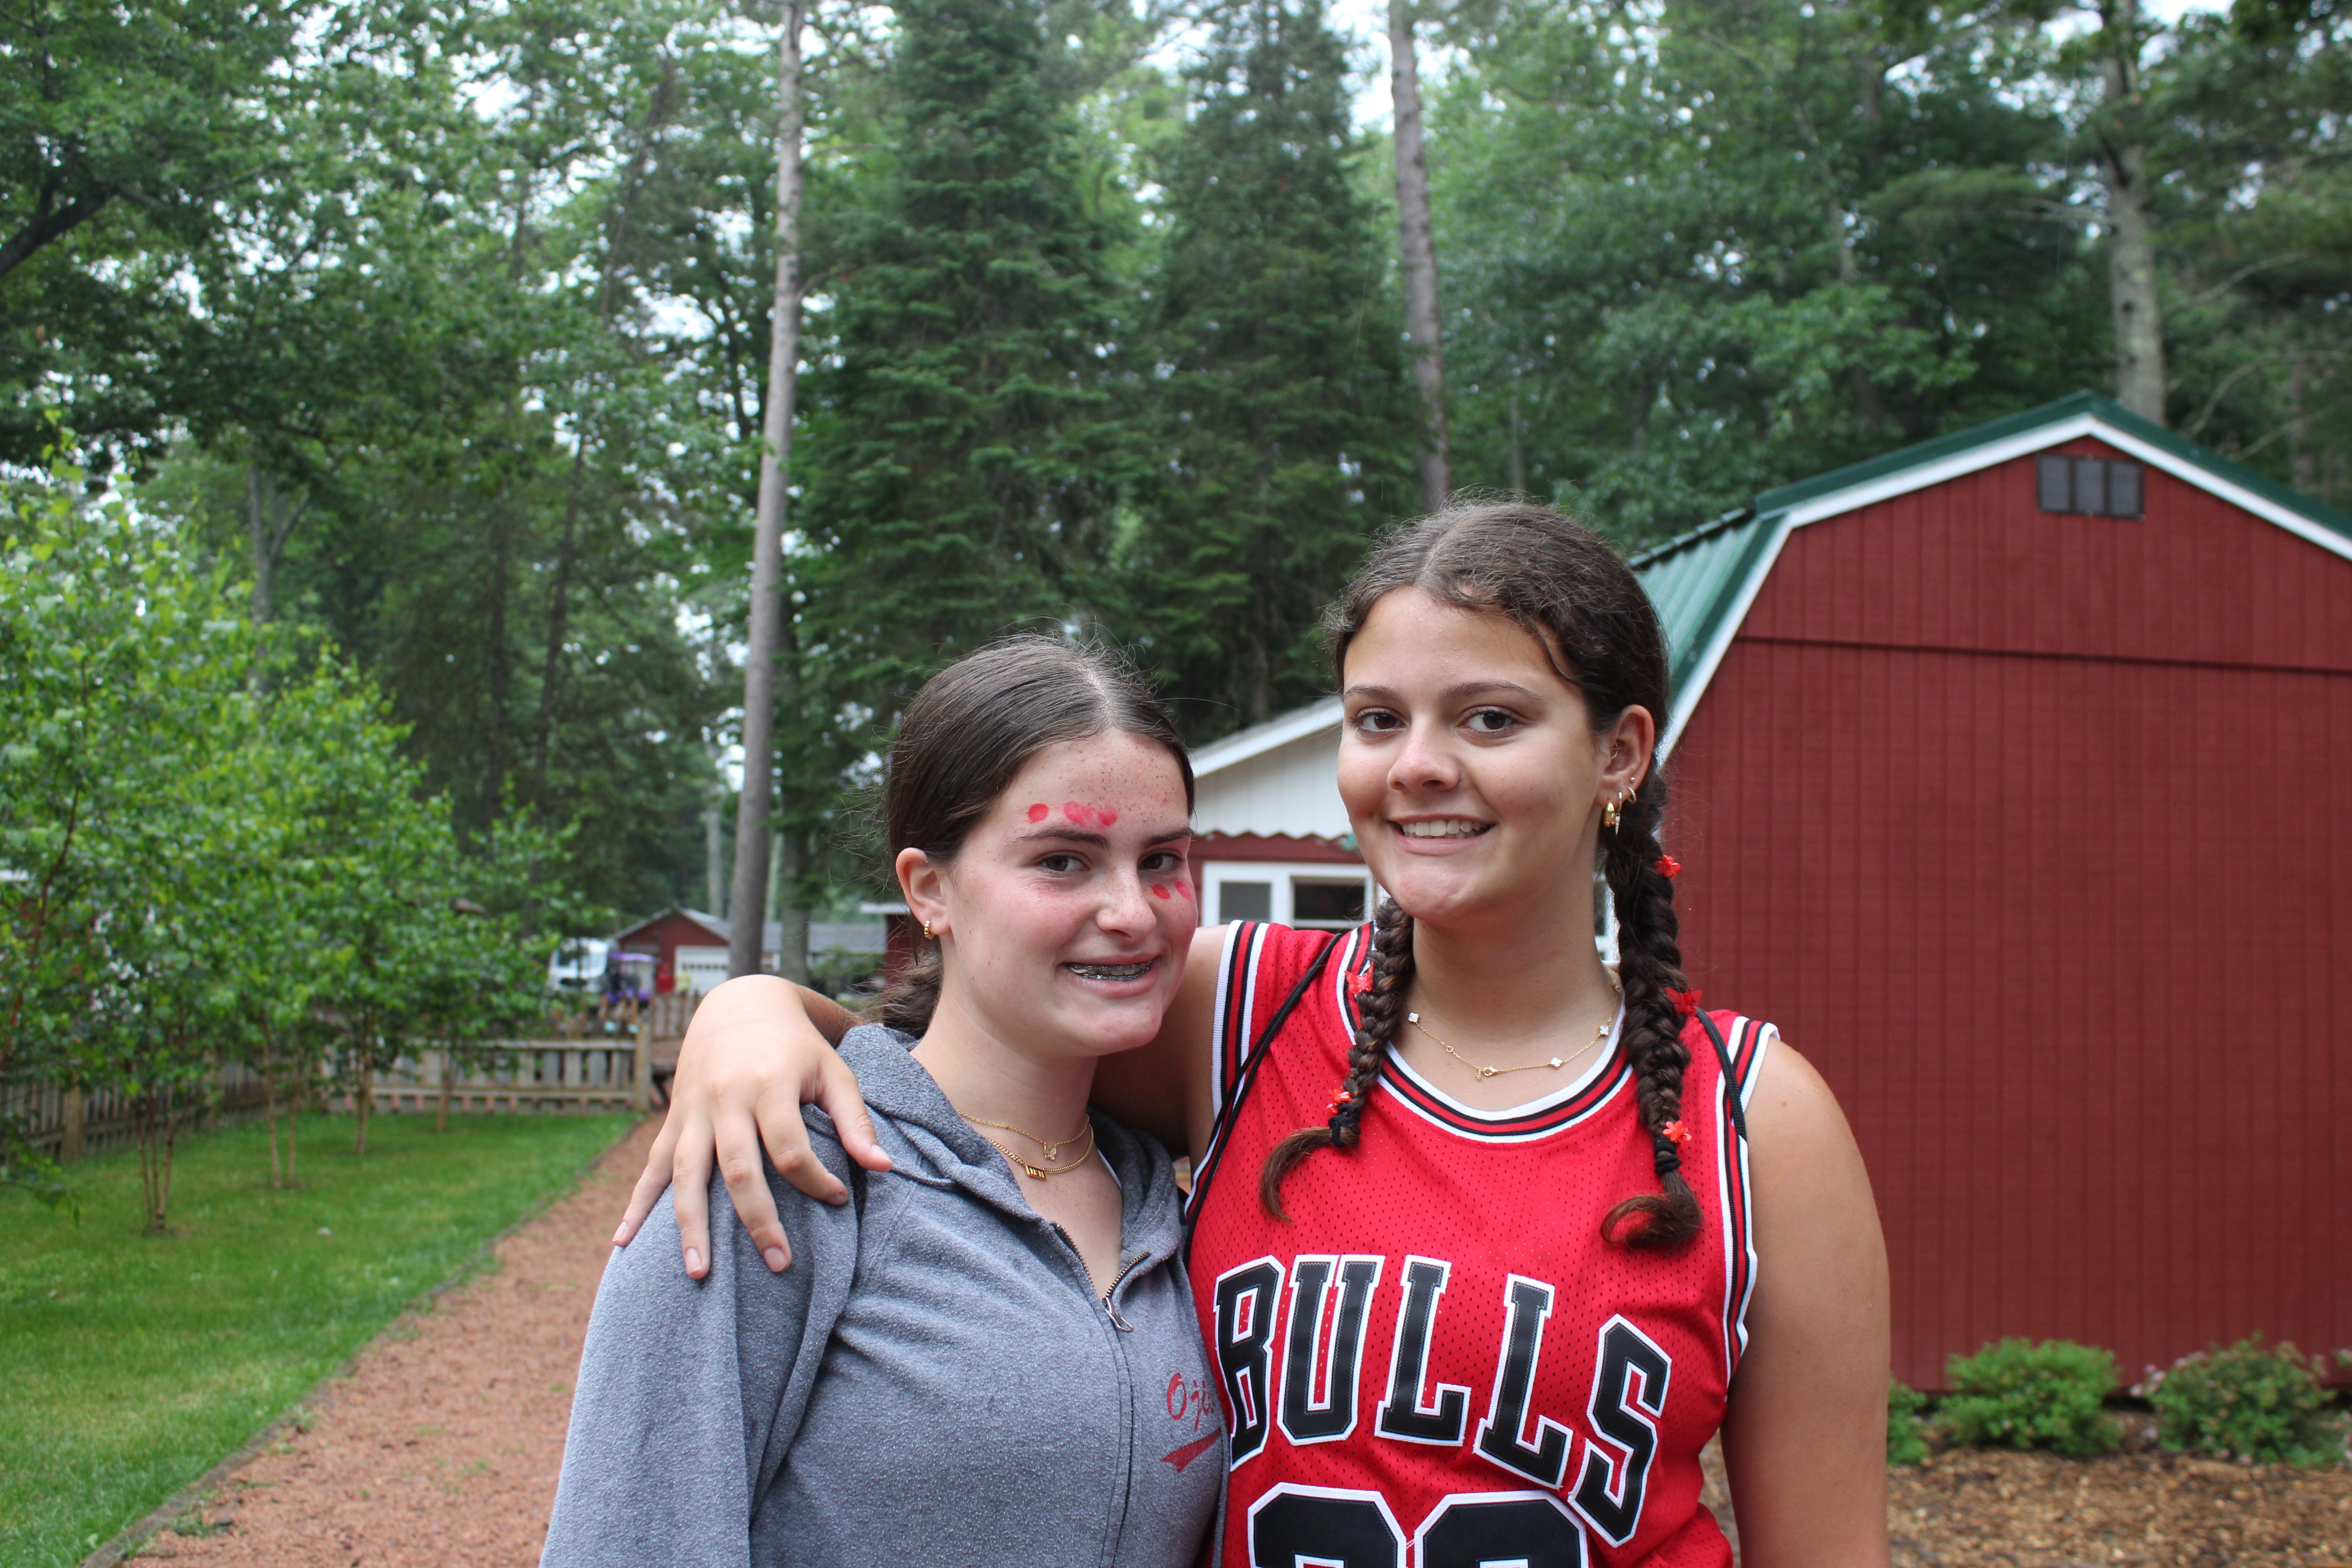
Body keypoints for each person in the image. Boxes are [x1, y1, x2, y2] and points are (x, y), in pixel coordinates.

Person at [619, 503, 1892, 1565]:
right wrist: (755, 1010)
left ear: (1620, 755)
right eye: (1378, 718)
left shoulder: (1756, 1120)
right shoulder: (1237, 1008)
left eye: (1489, 719)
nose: (1418, 765)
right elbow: (973, 1038)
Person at [543, 637, 1223, 1568]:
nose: (1134, 912)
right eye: (1064, 860)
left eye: (1163, 859)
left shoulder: (1173, 1205)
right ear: (929, 890)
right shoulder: (781, 1166)